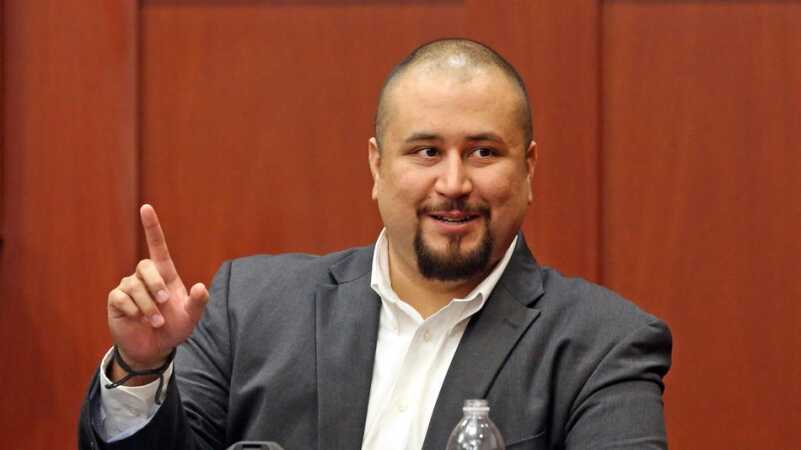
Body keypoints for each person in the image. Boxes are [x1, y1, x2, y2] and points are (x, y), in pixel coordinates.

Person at [79, 38, 671, 450]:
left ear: (529, 169)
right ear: (376, 165)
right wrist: (142, 369)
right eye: (426, 150)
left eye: (484, 152)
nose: (454, 183)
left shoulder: (604, 344)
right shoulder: (249, 306)